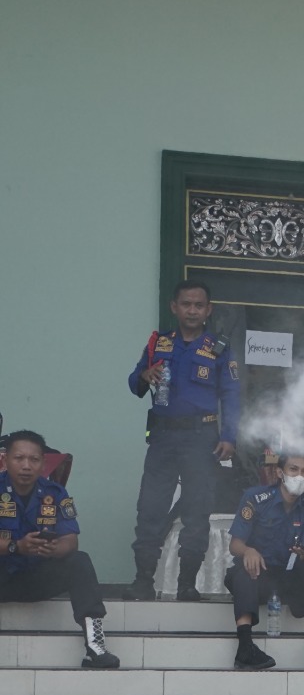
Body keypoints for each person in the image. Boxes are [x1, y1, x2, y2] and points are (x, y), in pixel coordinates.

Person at [126, 280, 240, 601]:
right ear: (174, 307)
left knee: (196, 510)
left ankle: (188, 584)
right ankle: (142, 581)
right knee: (150, 507)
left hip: (201, 438)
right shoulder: (157, 345)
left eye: (199, 305)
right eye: (186, 304)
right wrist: (143, 376)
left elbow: (231, 395)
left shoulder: (219, 347)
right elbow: (134, 382)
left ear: (208, 310)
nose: (192, 310)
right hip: (162, 437)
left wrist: (229, 436)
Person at [0, 431, 119, 668]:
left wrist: (52, 550)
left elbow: (71, 541)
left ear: (43, 464)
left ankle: (95, 646)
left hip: (36, 578)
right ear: (5, 460)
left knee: (79, 561)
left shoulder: (55, 493)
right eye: (19, 458)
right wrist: (16, 546)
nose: (26, 466)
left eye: (33, 460)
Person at [225, 450, 304, 672]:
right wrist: (248, 550)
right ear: (280, 472)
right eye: (293, 470)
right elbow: (234, 545)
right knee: (244, 567)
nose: (299, 476)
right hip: (258, 578)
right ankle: (245, 648)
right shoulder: (256, 498)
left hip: (288, 582)